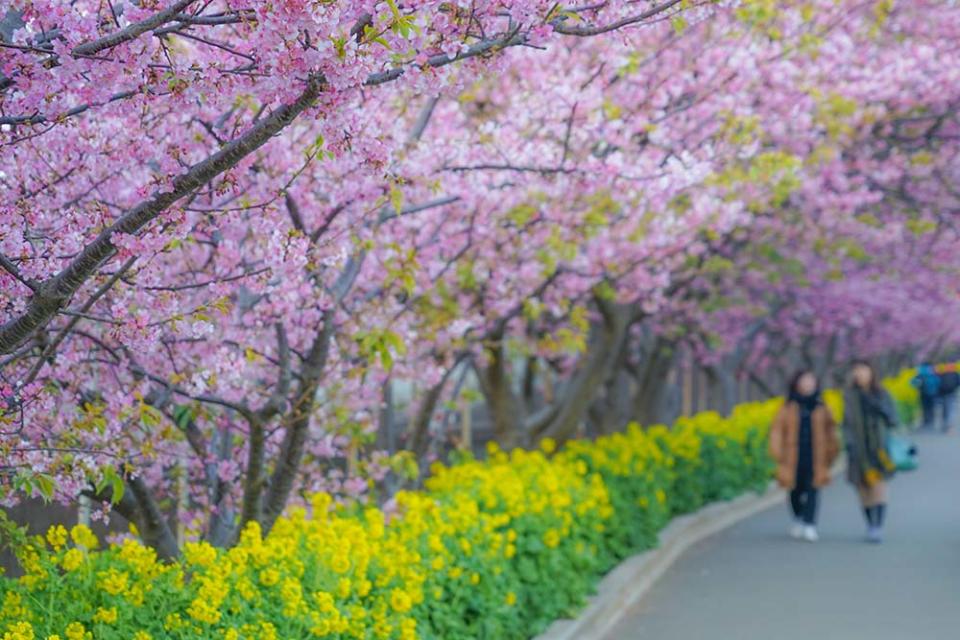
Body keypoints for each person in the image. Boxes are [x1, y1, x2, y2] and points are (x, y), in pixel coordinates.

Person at [769, 370, 838, 543]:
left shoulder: (821, 407)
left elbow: (831, 431)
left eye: (811, 381)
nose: (807, 384)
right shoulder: (788, 407)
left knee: (813, 490)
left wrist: (832, 451)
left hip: (816, 456)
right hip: (793, 456)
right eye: (804, 381)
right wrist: (777, 452)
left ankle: (810, 524)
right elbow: (777, 431)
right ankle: (798, 517)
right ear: (796, 383)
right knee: (794, 491)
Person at [843, 360, 898, 543]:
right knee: (864, 491)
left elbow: (893, 420)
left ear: (872, 372)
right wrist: (849, 444)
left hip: (879, 450)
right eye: (856, 370)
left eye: (864, 370)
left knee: (879, 489)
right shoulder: (850, 396)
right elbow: (846, 424)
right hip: (859, 451)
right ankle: (870, 524)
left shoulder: (881, 394)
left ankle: (878, 526)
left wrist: (879, 407)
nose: (860, 374)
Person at [912, 362, 941, 430]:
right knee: (931, 408)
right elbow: (938, 381)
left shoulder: (920, 373)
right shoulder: (933, 372)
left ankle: (926, 422)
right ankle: (931, 422)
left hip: (923, 393)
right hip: (933, 393)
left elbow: (913, 383)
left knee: (925, 408)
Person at [936, 363, 959, 433]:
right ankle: (949, 426)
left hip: (943, 395)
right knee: (950, 410)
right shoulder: (956, 374)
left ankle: (945, 425)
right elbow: (958, 383)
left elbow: (939, 384)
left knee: (945, 410)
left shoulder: (943, 374)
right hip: (951, 394)